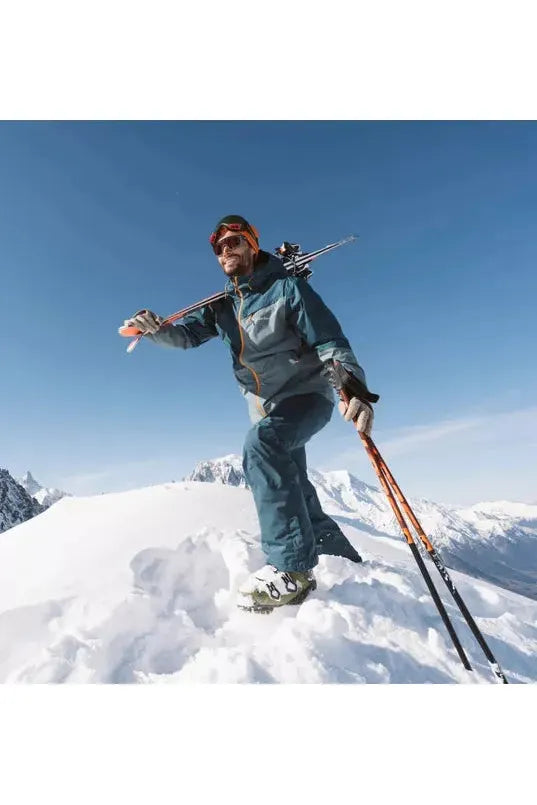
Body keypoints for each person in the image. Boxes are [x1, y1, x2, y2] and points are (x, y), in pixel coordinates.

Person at [121, 215, 377, 613]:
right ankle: (341, 559)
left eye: (235, 242)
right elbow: (187, 337)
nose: (227, 251)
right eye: (220, 247)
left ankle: (292, 570)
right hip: (266, 407)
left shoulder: (287, 289)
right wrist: (155, 330)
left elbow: (329, 340)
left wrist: (350, 384)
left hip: (306, 395)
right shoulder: (222, 307)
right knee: (294, 485)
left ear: (253, 246)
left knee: (263, 445)